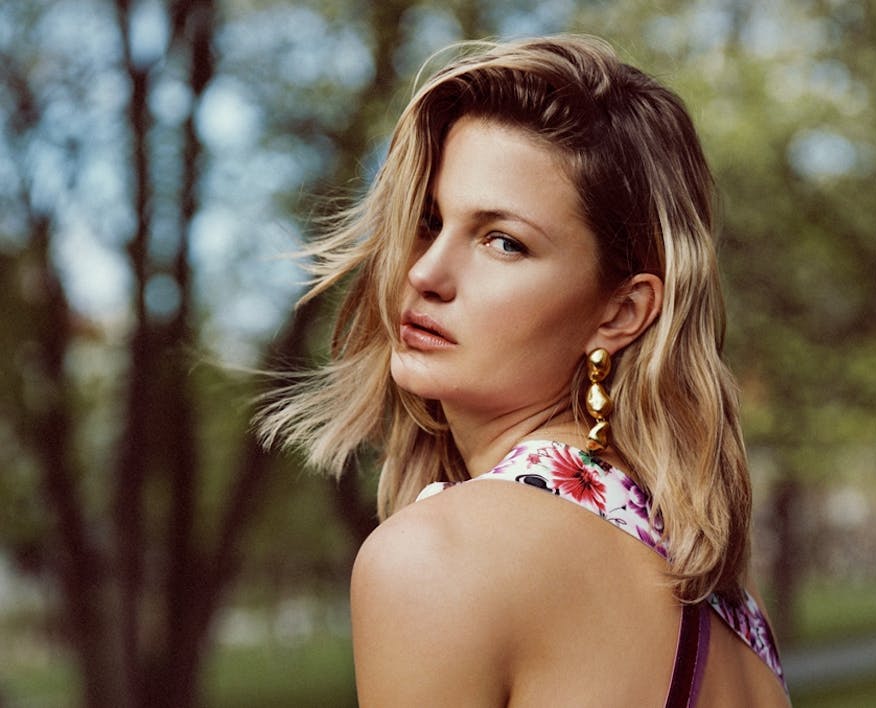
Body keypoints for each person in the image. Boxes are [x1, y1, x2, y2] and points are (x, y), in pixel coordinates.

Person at [259, 34, 789, 707]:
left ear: (621, 312)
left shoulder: (437, 558)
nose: (425, 272)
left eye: (503, 242)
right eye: (429, 221)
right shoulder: (720, 587)